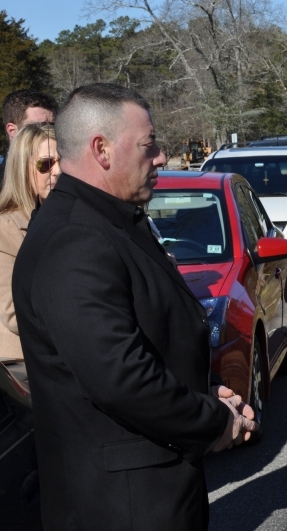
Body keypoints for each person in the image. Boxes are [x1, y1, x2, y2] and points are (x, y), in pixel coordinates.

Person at [12, 83, 258, 531]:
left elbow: (149, 336)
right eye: (149, 145)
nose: (161, 157)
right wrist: (213, 422)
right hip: (120, 506)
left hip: (150, 493)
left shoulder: (110, 221)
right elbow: (121, 378)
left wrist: (204, 389)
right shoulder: (74, 240)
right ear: (101, 149)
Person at [0, 123, 61, 374]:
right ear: (21, 169)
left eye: (63, 162)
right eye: (46, 164)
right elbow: (13, 312)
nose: (58, 171)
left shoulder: (69, 218)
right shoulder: (4, 228)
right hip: (25, 366)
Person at [1, 90, 58, 183]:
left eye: (52, 125)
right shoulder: (2, 180)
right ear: (12, 130)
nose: (47, 131)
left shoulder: (66, 175)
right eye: (37, 126)